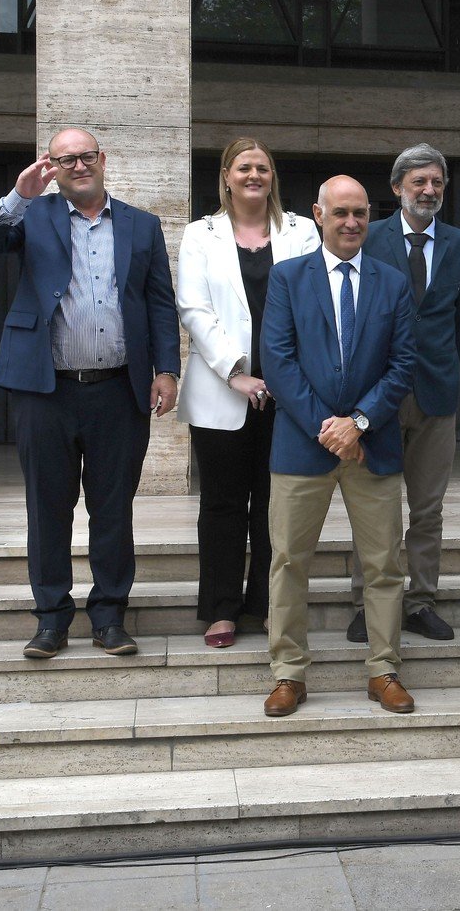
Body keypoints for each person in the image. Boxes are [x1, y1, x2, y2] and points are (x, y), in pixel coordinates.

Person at [0, 127, 180, 660]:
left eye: (86, 157)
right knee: (48, 509)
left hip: (117, 390)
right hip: (47, 390)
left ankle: (109, 617)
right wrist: (20, 195)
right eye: (66, 160)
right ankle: (51, 619)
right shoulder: (32, 216)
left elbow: (158, 303)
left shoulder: (142, 225)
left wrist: (167, 369)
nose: (78, 166)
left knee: (113, 510)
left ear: (103, 160)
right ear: (52, 166)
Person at [261, 175, 417, 718]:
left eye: (361, 213)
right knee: (288, 561)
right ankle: (288, 673)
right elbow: (277, 360)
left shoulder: (392, 283)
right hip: (302, 446)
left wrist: (359, 423)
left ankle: (384, 670)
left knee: (383, 564)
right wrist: (328, 428)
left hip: (372, 447)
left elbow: (403, 364)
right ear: (318, 214)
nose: (352, 222)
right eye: (341, 213)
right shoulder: (287, 278)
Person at [176, 137, 319, 648]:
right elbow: (193, 307)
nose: (254, 175)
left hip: (288, 394)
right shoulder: (200, 234)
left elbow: (310, 305)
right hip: (221, 392)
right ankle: (220, 609)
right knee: (222, 503)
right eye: (244, 167)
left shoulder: (302, 231)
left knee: (275, 505)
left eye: (263, 166)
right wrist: (236, 370)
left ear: (272, 176)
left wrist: (281, 377)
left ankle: (265, 604)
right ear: (226, 176)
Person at [344, 143, 460, 644]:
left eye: (437, 182)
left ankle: (422, 601)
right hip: (376, 397)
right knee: (374, 503)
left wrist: (438, 365)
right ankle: (367, 603)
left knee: (427, 507)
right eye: (418, 181)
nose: (428, 190)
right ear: (397, 187)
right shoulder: (368, 238)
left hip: (436, 397)